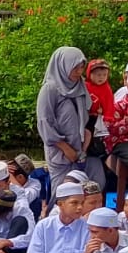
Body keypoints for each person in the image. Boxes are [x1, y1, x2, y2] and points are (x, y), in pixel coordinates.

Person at [36, 46, 101, 188]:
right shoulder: (50, 89)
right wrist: (65, 148)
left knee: (87, 191)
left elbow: (85, 113)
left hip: (80, 150)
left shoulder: (79, 85)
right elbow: (44, 122)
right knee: (62, 193)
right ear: (63, 66)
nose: (79, 72)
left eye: (81, 68)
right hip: (60, 153)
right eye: (75, 68)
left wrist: (85, 141)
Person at [19, 183, 91, 253]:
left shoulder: (87, 227)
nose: (80, 207)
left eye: (82, 203)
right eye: (74, 203)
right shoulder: (44, 225)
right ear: (60, 204)